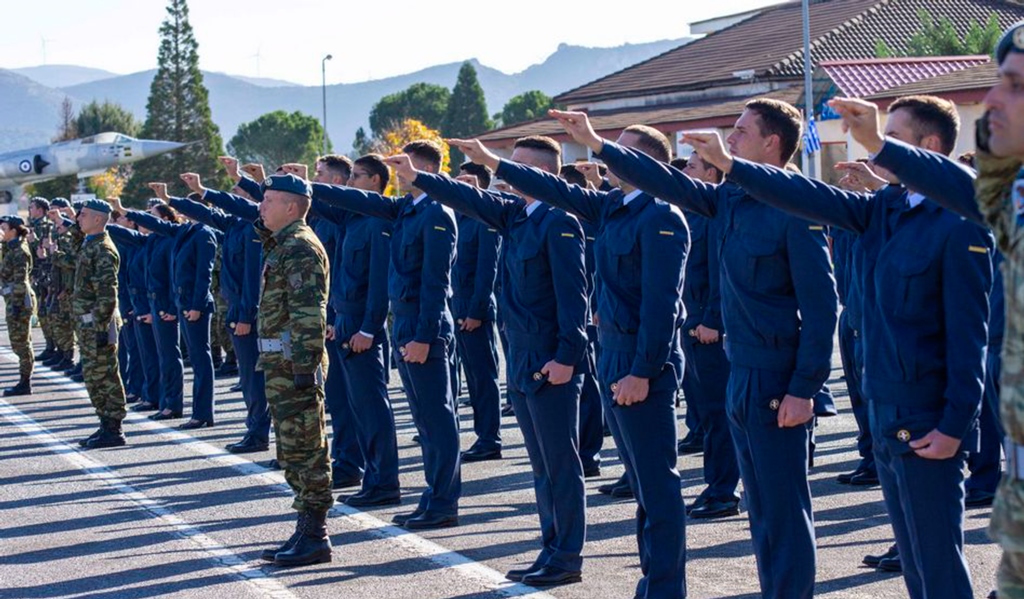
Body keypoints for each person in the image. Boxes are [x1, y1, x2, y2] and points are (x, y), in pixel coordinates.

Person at [687, 93, 992, 599]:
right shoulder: (883, 210)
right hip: (885, 408)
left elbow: (970, 338)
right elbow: (805, 194)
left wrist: (955, 427)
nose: (874, 149)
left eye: (890, 136)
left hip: (928, 416)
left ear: (929, 146)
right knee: (916, 564)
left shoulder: (958, 224)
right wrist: (730, 164)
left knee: (937, 566)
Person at [563, 99, 838, 599]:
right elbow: (667, 182)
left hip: (778, 377)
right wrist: (597, 141)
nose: (729, 139)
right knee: (760, 513)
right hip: (741, 371)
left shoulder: (797, 208)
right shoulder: (731, 199)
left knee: (784, 511)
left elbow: (822, 310)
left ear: (772, 142)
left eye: (740, 131)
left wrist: (805, 389)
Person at [386, 133, 589, 587]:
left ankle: (566, 555)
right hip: (520, 354)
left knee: (559, 462)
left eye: (517, 167)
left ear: (538, 173)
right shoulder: (517, 216)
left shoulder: (559, 222)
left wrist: (566, 358)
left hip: (549, 357)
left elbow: (575, 299)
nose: (506, 176)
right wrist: (416, 176)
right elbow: (466, 196)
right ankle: (551, 547)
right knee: (541, 466)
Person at [291, 139, 462, 531]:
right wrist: (299, 185)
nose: (398, 173)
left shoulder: (437, 213)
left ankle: (442, 501)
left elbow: (435, 284)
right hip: (404, 329)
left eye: (404, 165)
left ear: (426, 170)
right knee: (423, 420)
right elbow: (349, 202)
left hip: (424, 332)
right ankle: (427, 497)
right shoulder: (405, 210)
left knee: (438, 420)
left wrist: (423, 335)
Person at [250, 173, 333, 568]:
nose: (261, 207)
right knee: (292, 448)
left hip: (296, 364)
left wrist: (304, 365)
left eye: (269, 201)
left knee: (307, 446)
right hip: (281, 363)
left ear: (292, 207)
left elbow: (308, 312)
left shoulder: (299, 246)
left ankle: (315, 534)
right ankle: (305, 529)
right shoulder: (281, 244)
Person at [665, 153, 739, 519]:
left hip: (708, 331)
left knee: (718, 414)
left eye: (693, 167)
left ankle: (724, 491)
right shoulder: (691, 213)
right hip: (692, 327)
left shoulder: (712, 216)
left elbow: (719, 274)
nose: (686, 172)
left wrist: (712, 320)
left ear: (712, 173)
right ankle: (717, 484)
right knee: (708, 415)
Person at [175, 167, 271, 454]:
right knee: (246, 378)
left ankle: (258, 433)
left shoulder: (254, 228)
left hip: (247, 314)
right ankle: (253, 428)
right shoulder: (234, 225)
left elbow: (252, 279)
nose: (234, 197)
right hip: (234, 310)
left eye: (240, 193)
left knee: (255, 380)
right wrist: (173, 199)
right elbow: (209, 214)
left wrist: (245, 316)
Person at [113, 194, 217, 430]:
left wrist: (195, 306)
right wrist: (118, 214)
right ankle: (171, 404)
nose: (149, 220)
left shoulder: (203, 234)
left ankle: (201, 413)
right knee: (166, 356)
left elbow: (203, 274)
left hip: (190, 305)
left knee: (198, 361)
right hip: (177, 305)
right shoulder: (179, 234)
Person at [450, 161, 503, 462]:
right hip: (457, 309)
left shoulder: (484, 219)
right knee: (471, 377)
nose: (460, 185)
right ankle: (482, 435)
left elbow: (487, 271)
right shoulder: (457, 218)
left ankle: (489, 438)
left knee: (484, 378)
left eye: (467, 181)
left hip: (475, 312)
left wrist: (476, 311)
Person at [72, 199, 128, 449]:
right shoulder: (89, 244)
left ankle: (114, 428)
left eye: (83, 215)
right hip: (88, 323)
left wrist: (101, 326)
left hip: (99, 324)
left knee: (105, 374)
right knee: (93, 376)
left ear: (97, 219)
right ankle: (105, 423)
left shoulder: (103, 249)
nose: (78, 218)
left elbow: (108, 292)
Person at [1, 216, 37, 396]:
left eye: (3, 227)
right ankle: (24, 380)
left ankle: (25, 382)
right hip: (13, 299)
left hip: (20, 300)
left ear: (13, 230)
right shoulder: (10, 248)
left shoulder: (20, 250)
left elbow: (20, 280)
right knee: (18, 343)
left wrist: (15, 304)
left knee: (22, 343)